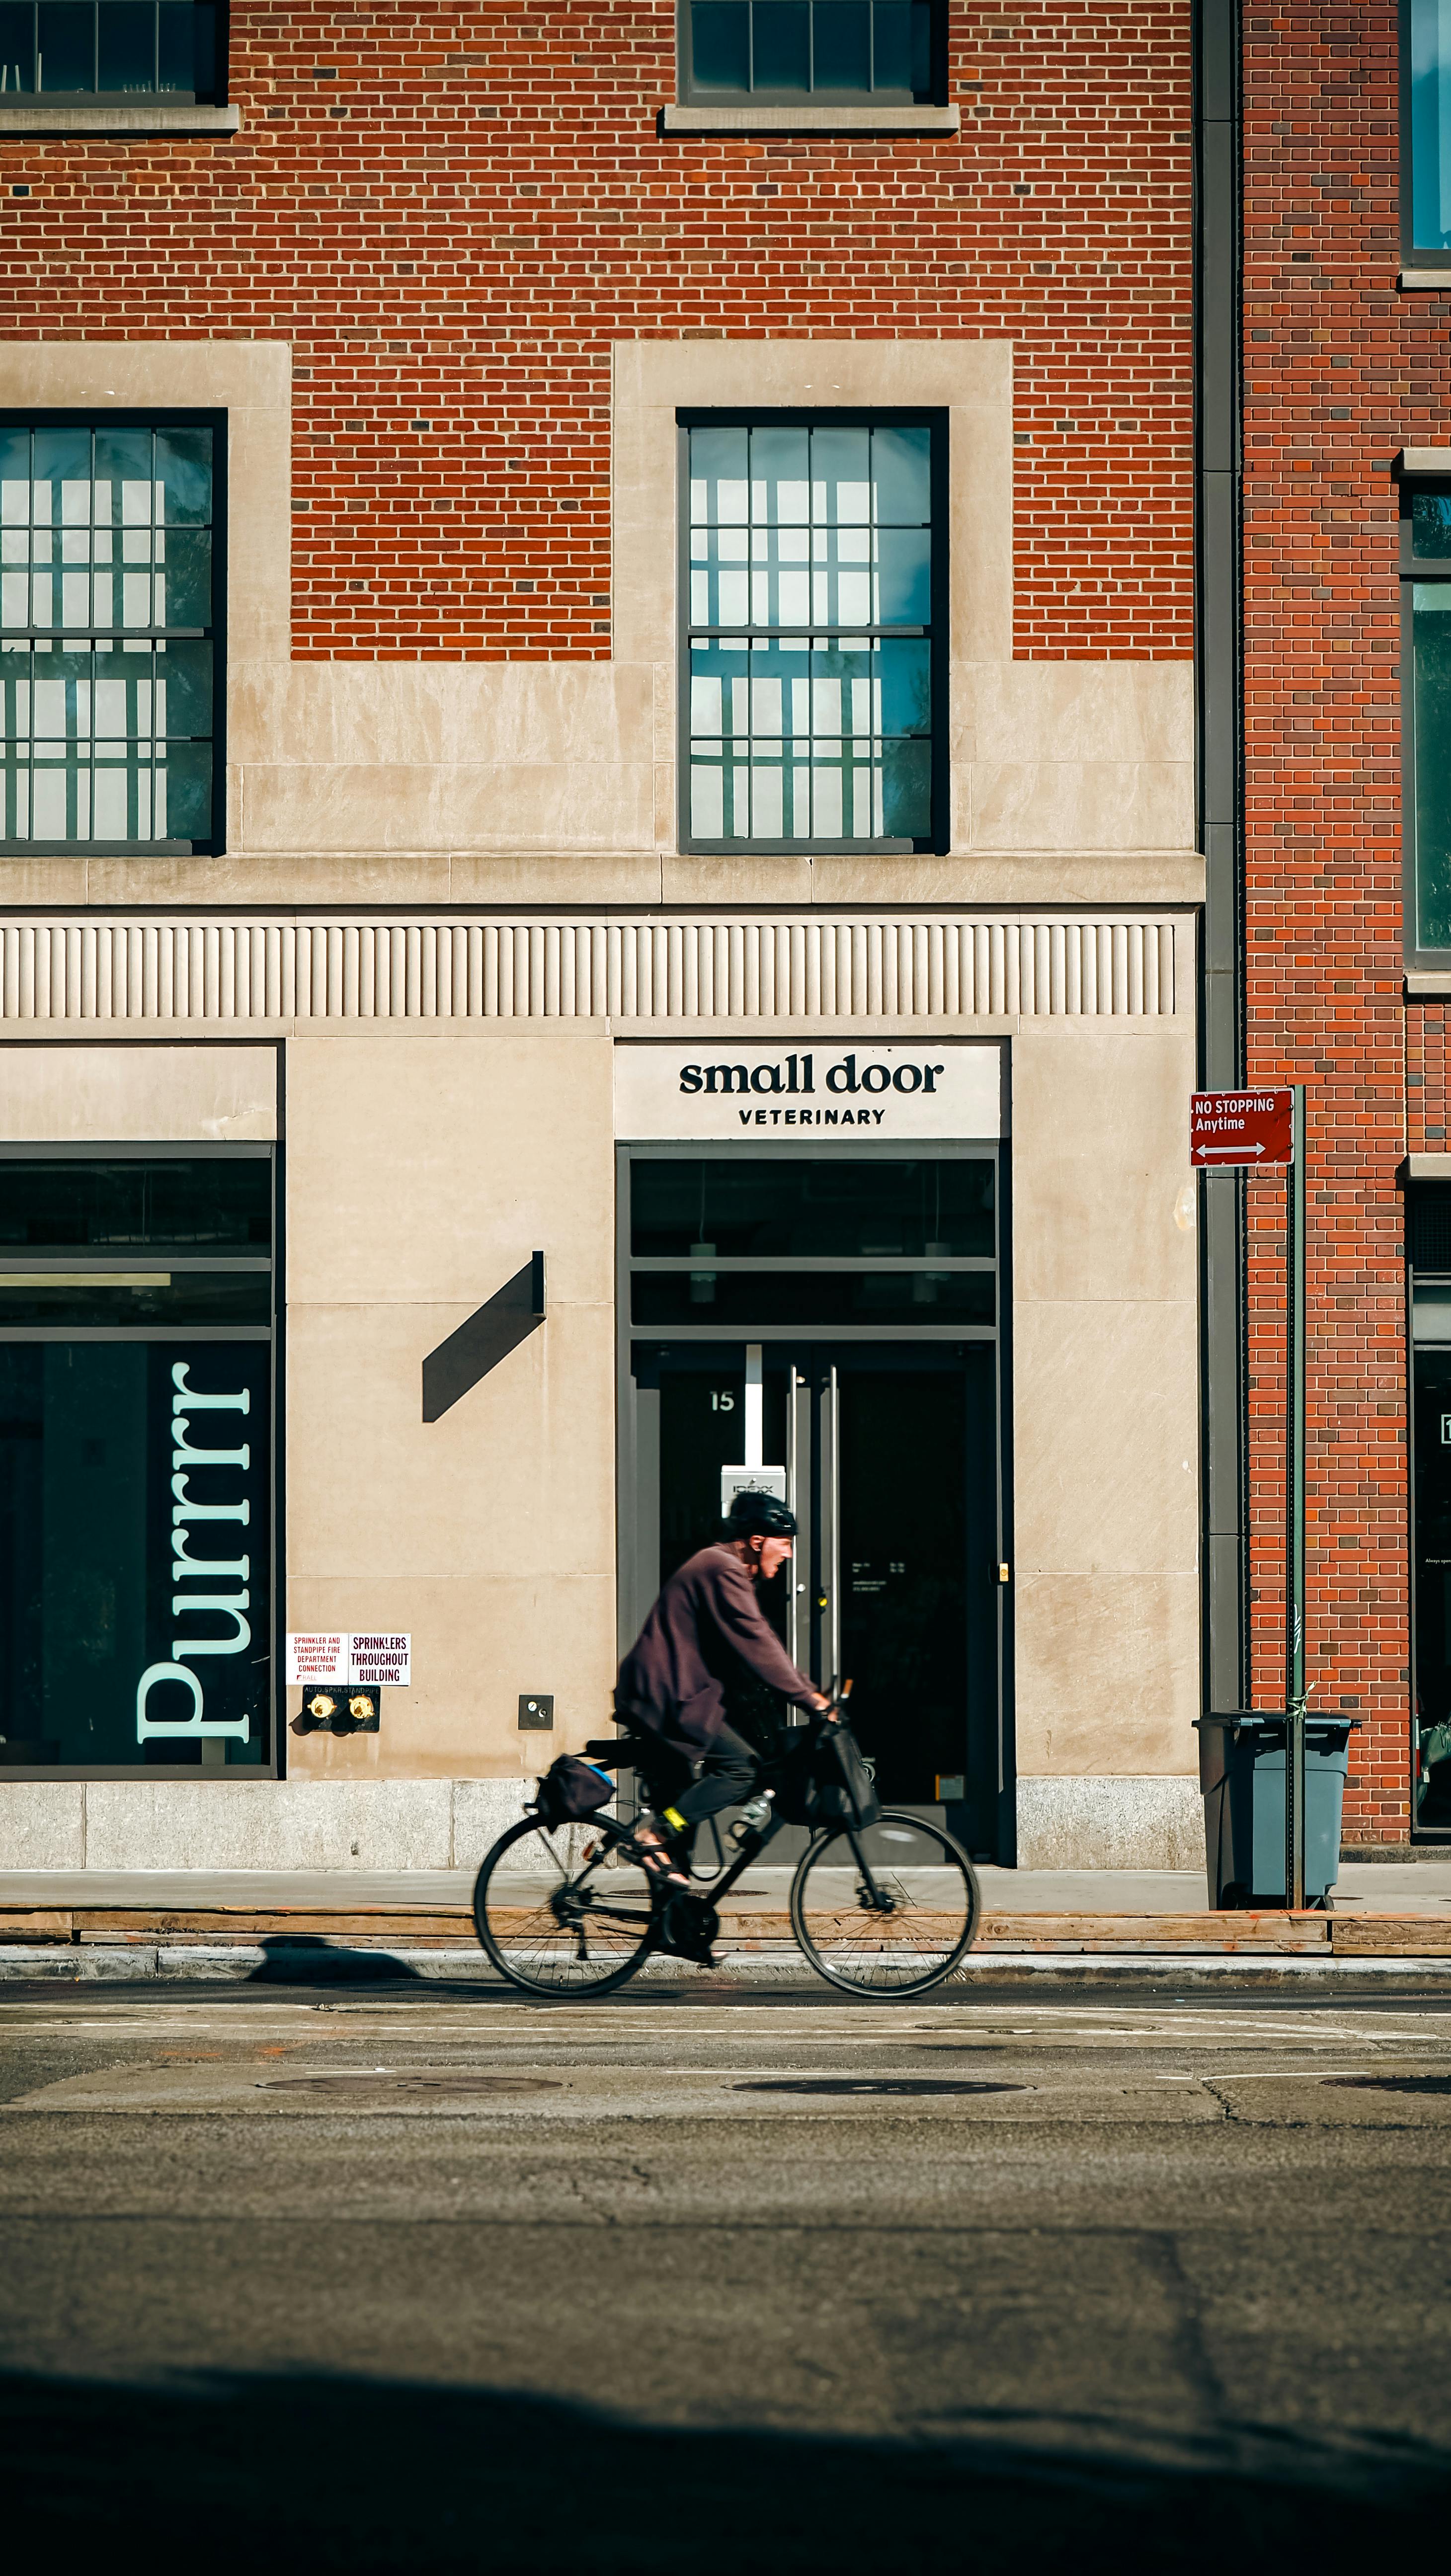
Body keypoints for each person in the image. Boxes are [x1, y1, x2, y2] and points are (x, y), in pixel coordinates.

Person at [615, 1488, 833, 1885]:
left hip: (678, 1694)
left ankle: (674, 1925)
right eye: (784, 1544)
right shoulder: (722, 1568)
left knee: (690, 1811)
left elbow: (760, 1640)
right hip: (666, 1696)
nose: (789, 1554)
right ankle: (653, 1834)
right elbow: (758, 1644)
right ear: (757, 1541)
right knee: (740, 1769)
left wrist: (805, 1691)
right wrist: (810, 1699)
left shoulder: (725, 1568)